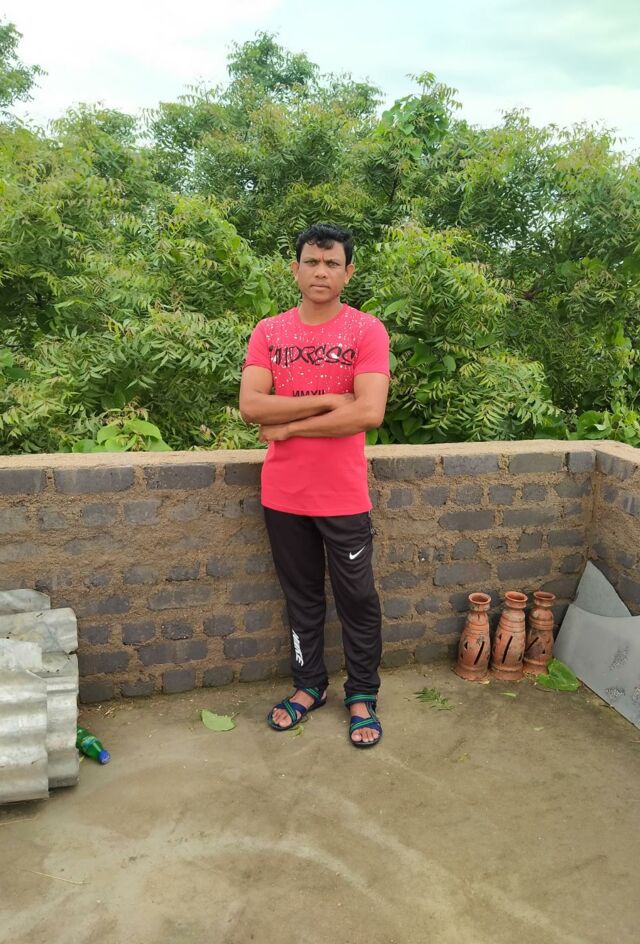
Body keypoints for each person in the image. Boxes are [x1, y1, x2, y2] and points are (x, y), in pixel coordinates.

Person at [239, 223, 390, 748]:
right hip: (283, 494)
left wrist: (288, 427)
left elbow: (368, 413)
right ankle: (309, 687)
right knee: (301, 598)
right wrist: (328, 402)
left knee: (357, 598)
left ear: (348, 272)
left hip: (342, 494)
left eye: (332, 264)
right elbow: (251, 405)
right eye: (311, 262)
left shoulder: (366, 330)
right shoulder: (269, 331)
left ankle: (362, 694)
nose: (320, 271)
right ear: (295, 269)